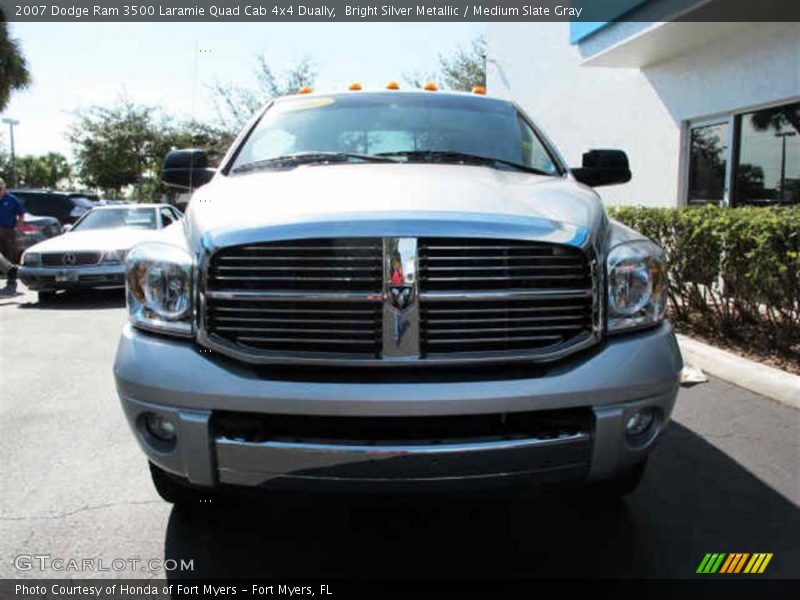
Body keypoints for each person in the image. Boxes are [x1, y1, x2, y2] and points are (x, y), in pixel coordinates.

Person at [0, 177, 25, 294]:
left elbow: (21, 213)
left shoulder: (11, 199)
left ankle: (11, 283)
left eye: (0, 188)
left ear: (4, 187)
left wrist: (18, 227)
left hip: (8, 230)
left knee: (9, 254)